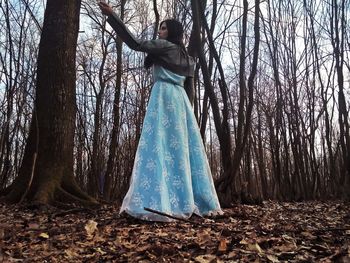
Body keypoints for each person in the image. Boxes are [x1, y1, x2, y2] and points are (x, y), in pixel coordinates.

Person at [99, 1, 222, 221]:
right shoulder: (187, 57)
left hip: (164, 98)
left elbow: (136, 43)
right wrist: (189, 116)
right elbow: (190, 90)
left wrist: (113, 16)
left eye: (163, 28)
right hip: (182, 105)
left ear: (172, 31)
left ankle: (160, 201)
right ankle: (191, 200)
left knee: (158, 148)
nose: (159, 30)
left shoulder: (165, 47)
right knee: (182, 153)